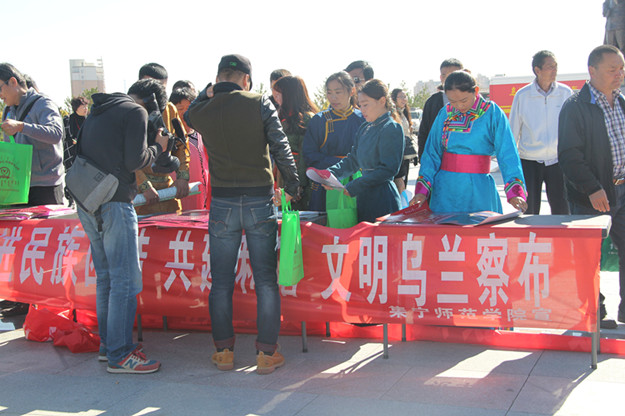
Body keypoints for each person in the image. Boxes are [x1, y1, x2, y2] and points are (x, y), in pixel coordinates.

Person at [185, 54, 299, 375]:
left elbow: (189, 114)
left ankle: (223, 352)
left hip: (222, 202)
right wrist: (293, 185)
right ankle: (266, 353)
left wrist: (206, 92)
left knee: (221, 282)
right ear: (247, 79)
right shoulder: (259, 102)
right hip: (259, 199)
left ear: (218, 77)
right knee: (265, 280)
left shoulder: (204, 109)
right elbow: (280, 146)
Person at [76, 78, 168, 373]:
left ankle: (108, 346)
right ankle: (120, 354)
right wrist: (157, 147)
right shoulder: (135, 112)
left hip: (86, 199)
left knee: (106, 278)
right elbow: (135, 160)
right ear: (152, 103)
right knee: (125, 281)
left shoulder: (99, 110)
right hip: (114, 201)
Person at [558, 45, 625, 326]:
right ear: (592, 70)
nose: (619, 74)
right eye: (612, 70)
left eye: (621, 69)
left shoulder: (622, 102)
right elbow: (569, 155)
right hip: (592, 195)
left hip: (622, 190)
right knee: (588, 257)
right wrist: (592, 188)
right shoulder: (575, 106)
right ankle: (593, 313)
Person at [411, 71, 527, 214]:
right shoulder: (445, 113)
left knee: (479, 226)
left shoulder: (492, 113)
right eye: (452, 101)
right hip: (446, 189)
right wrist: (422, 190)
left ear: (476, 91)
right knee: (445, 227)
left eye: (464, 100)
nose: (459, 106)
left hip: (479, 188)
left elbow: (507, 153)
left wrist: (515, 192)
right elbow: (431, 153)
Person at [323, 79, 403, 222]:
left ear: (382, 101)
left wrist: (356, 185)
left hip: (383, 198)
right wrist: (331, 174)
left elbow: (388, 169)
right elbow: (353, 160)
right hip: (364, 197)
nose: (362, 110)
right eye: (360, 105)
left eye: (365, 105)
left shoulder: (391, 127)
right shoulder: (365, 127)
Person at [509, 51, 573, 215]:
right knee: (529, 211)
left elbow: (573, 127)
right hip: (529, 161)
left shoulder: (565, 93)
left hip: (558, 161)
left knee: (562, 210)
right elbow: (513, 130)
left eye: (556, 66)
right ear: (537, 70)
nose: (555, 70)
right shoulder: (523, 95)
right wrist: (511, 163)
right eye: (550, 66)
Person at [0, 63, 65, 206]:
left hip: (46, 187)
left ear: (13, 82)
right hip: (17, 186)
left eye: (0, 88)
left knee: (46, 222)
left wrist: (22, 127)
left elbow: (56, 134)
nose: (0, 96)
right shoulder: (8, 111)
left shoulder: (43, 103)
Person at [302, 71, 365, 211]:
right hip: (326, 184)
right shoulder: (319, 120)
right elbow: (309, 154)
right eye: (329, 93)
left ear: (352, 91)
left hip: (357, 183)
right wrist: (340, 167)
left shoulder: (363, 119)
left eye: (338, 92)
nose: (333, 97)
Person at [135, 63, 190, 215]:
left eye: (161, 89)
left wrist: (182, 176)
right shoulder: (131, 110)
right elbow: (127, 155)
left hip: (167, 190)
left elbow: (181, 144)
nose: (156, 95)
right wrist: (144, 186)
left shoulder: (170, 109)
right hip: (137, 193)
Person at [272, 75, 319, 210]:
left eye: (278, 94)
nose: (276, 98)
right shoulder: (281, 116)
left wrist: (299, 184)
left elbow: (306, 153)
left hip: (300, 177)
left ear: (289, 95)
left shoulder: (307, 118)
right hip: (284, 174)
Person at [170, 86, 209, 210]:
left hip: (203, 202)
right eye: (180, 109)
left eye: (189, 108)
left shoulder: (203, 135)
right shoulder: (169, 141)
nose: (184, 113)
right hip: (179, 202)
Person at [418, 58, 464, 161]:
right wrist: (424, 160)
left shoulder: (474, 103)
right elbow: (424, 133)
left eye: (452, 75)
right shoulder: (432, 102)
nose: (448, 79)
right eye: (444, 75)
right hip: (439, 160)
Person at [391, 88, 418, 196]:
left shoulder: (404, 113)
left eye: (405, 96)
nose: (404, 99)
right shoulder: (392, 113)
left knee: (404, 182)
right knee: (398, 183)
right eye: (401, 97)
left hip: (405, 153)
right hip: (397, 153)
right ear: (394, 99)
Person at [63, 96, 89, 169]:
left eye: (86, 106)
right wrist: (72, 140)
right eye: (83, 106)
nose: (86, 109)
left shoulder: (89, 120)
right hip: (71, 153)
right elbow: (63, 137)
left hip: (85, 154)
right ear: (76, 107)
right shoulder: (67, 120)